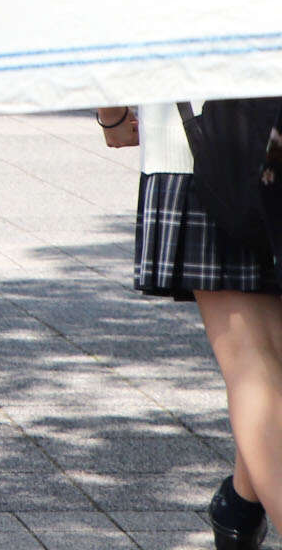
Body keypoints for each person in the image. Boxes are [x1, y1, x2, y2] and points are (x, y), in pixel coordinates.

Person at [98, 103, 282, 550]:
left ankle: (240, 503)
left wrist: (113, 113)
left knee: (254, 366)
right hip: (252, 139)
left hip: (199, 143)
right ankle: (238, 505)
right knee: (265, 366)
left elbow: (118, 31)